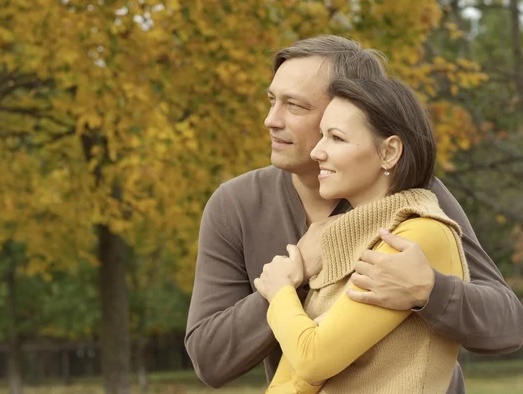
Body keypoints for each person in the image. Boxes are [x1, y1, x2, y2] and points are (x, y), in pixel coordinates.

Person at [184, 35, 523, 393]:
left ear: (350, 107)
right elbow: (210, 359)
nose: (271, 119)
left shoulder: (414, 198)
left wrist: (429, 293)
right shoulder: (235, 205)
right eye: (272, 101)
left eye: (294, 106)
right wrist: (295, 276)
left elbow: (508, 325)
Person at [255, 76, 468, 393]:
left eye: (336, 138)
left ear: (389, 152)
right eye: (322, 136)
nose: (317, 152)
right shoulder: (352, 235)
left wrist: (281, 291)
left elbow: (313, 359)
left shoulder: (417, 235)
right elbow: (296, 377)